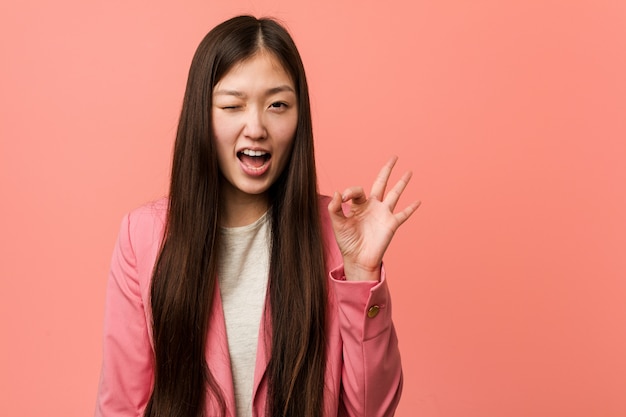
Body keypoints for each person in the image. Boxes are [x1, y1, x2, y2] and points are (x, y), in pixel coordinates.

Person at [95, 15, 420, 417]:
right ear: (202, 115)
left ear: (300, 118)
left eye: (277, 105)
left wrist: (362, 275)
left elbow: (371, 410)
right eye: (232, 105)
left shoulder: (337, 236)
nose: (256, 127)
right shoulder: (143, 237)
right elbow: (122, 406)